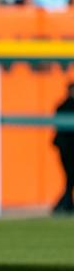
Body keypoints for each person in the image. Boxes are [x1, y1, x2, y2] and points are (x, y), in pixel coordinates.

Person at [53, 83, 74, 213]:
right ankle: (65, 204)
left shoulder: (61, 106)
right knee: (70, 176)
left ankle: (65, 203)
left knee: (70, 177)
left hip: (65, 147)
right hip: (67, 148)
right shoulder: (63, 106)